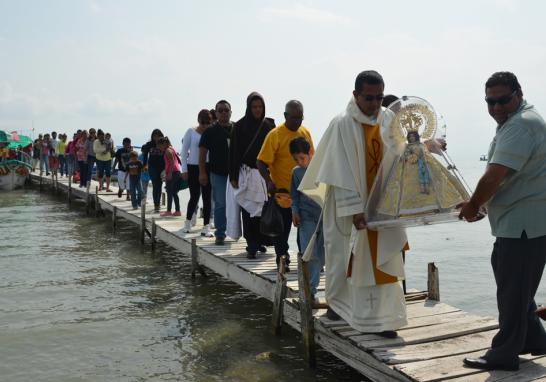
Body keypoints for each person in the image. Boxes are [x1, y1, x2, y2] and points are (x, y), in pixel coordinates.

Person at [299, 70, 408, 337]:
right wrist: (356, 209)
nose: (375, 104)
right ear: (355, 95)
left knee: (383, 258)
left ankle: (383, 320)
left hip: (382, 206)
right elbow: (339, 172)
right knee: (343, 258)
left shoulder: (389, 119)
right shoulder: (342, 124)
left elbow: (400, 157)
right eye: (368, 98)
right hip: (349, 208)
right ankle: (338, 305)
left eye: (379, 97)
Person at [459, 71, 546, 371]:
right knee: (517, 287)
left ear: (518, 94)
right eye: (490, 101)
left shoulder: (520, 126)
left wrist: (473, 206)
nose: (496, 107)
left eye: (502, 100)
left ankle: (504, 354)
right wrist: (480, 206)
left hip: (523, 226)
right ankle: (534, 338)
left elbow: (494, 175)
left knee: (512, 291)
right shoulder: (519, 121)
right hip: (522, 224)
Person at [257, 100, 314, 270]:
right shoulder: (275, 135)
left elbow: (312, 158)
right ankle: (282, 257)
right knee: (282, 230)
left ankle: (305, 257)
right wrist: (268, 180)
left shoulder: (304, 133)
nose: (298, 121)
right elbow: (261, 161)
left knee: (304, 228)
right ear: (285, 116)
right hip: (282, 192)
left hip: (303, 192)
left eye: (300, 118)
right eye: (294, 118)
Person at [227, 92, 275, 259]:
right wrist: (233, 176)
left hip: (264, 175)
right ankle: (252, 244)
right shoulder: (239, 126)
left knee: (264, 210)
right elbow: (234, 152)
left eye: (260, 107)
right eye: (254, 107)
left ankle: (262, 240)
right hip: (247, 173)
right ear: (249, 107)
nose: (257, 110)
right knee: (248, 210)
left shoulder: (269, 126)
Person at [290, 137, 323, 302]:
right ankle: (310, 290)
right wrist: (294, 211)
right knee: (310, 253)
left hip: (323, 217)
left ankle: (319, 285)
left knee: (323, 253)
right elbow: (294, 196)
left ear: (310, 153)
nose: (300, 162)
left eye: (302, 158)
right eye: (296, 159)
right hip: (305, 217)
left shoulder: (322, 168)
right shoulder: (296, 173)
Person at [199, 100, 233, 245]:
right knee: (220, 203)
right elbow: (202, 153)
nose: (224, 113)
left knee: (238, 203)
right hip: (217, 173)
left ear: (231, 112)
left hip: (237, 173)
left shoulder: (237, 128)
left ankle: (237, 232)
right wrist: (202, 173)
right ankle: (220, 233)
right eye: (220, 110)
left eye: (226, 110)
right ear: (216, 113)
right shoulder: (210, 131)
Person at [181, 109, 213, 236]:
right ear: (198, 120)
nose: (205, 125)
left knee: (207, 197)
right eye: (203, 122)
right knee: (194, 196)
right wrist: (184, 170)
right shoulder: (191, 132)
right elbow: (184, 152)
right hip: (193, 167)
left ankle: (206, 226)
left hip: (208, 167)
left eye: (207, 122)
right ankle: (188, 222)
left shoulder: (211, 133)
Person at [142, 129, 165, 212]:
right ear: (152, 137)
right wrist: (145, 165)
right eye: (154, 136)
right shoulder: (149, 144)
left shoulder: (163, 143)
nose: (156, 138)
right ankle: (156, 205)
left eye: (158, 136)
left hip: (162, 167)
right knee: (155, 185)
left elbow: (169, 153)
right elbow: (145, 155)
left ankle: (158, 204)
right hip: (152, 167)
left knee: (159, 185)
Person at [158, 137, 181, 217]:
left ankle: (168, 211)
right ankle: (178, 211)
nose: (159, 148)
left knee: (169, 192)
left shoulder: (167, 151)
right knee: (174, 192)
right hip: (176, 172)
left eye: (159, 146)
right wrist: (165, 171)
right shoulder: (171, 149)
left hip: (173, 172)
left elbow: (171, 163)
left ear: (163, 144)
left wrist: (169, 173)